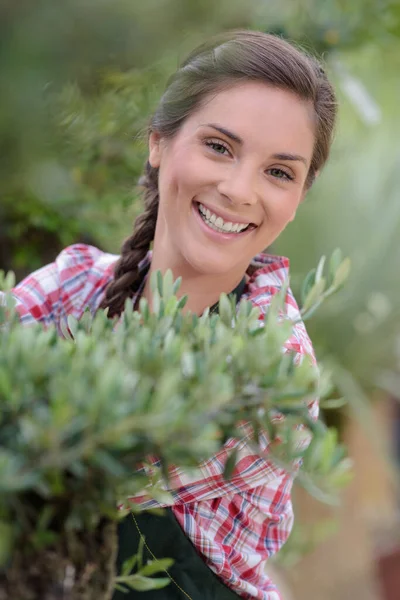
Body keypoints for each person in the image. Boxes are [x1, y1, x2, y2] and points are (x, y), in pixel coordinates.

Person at [6, 30, 337, 600]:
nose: (238, 189)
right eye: (219, 147)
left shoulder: (274, 372)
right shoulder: (76, 283)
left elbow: (80, 482)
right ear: (158, 142)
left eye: (279, 172)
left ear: (299, 195)